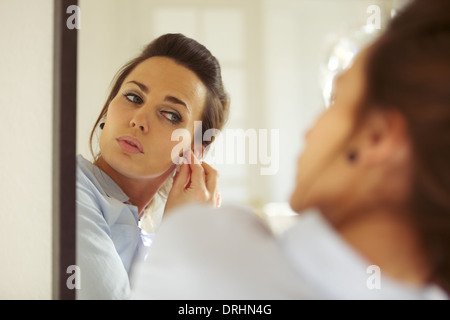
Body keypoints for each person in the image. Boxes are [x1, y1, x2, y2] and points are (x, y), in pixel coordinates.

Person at [130, 0, 450, 299]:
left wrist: (182, 223)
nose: (310, 129)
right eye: (132, 96)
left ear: (376, 138)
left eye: (335, 101)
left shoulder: (205, 252)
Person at [76, 33, 229, 299]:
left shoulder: (145, 235)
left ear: (191, 153)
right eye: (134, 97)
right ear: (108, 109)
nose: (139, 120)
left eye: (170, 115)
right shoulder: (69, 191)